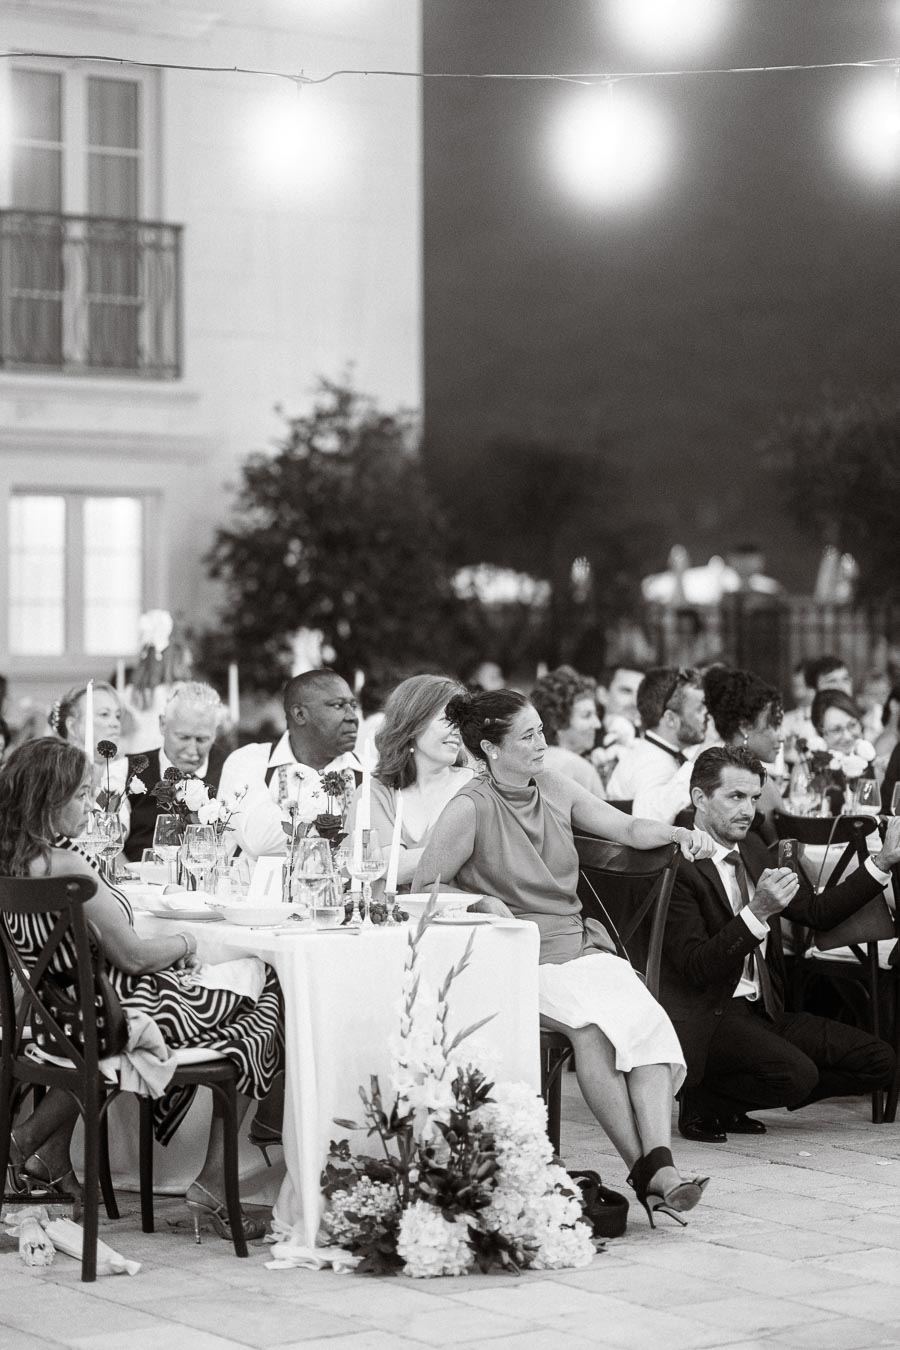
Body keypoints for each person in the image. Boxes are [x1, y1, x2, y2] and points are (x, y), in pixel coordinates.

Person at [413, 688, 717, 1226]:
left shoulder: (552, 785)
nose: (541, 743)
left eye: (541, 731)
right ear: (490, 748)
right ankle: (651, 1174)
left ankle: (659, 1167)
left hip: (578, 946)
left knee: (642, 1018)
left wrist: (677, 831)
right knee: (592, 1031)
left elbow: (626, 828)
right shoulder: (469, 807)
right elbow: (424, 891)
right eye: (527, 736)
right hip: (518, 956)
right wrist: (481, 901)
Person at [0, 739, 285, 1240]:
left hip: (53, 1016)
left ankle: (42, 1149)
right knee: (266, 991)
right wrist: (186, 942)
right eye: (81, 795)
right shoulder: (68, 866)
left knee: (239, 996)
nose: (92, 806)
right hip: (117, 1015)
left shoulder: (14, 862)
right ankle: (214, 1181)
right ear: (48, 799)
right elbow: (132, 957)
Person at [662, 745, 897, 1145]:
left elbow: (817, 912)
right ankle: (703, 1099)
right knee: (796, 1075)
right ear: (700, 798)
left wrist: (883, 862)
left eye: (754, 798)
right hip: (711, 1013)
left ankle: (729, 1096)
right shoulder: (678, 864)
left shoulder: (753, 847)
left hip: (764, 1009)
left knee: (879, 1061)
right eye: (735, 797)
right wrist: (757, 912)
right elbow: (696, 968)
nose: (748, 810)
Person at [349, 674, 474, 891]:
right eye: (448, 720)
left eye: (462, 722)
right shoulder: (375, 792)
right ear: (412, 723)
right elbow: (393, 867)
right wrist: (471, 851)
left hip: (461, 911)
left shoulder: (478, 787)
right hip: (388, 912)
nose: (458, 731)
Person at [219, 669, 361, 858]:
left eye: (353, 705)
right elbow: (260, 840)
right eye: (338, 705)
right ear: (300, 714)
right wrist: (349, 832)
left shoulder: (371, 769)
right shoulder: (249, 761)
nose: (352, 716)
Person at [122, 681, 227, 862]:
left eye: (202, 740)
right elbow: (110, 843)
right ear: (163, 725)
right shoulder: (127, 770)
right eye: (183, 737)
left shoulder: (231, 769)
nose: (192, 750)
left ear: (215, 733)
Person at [606, 668, 708, 810]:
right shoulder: (651, 763)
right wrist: (706, 748)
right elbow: (650, 816)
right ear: (671, 719)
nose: (707, 717)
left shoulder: (655, 755)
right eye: (699, 709)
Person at [529, 666, 606, 796]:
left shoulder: (526, 761)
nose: (597, 724)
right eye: (586, 716)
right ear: (557, 722)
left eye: (596, 715)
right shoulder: (579, 767)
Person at [51, 681, 128, 805]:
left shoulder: (125, 775)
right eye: (104, 714)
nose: (115, 723)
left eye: (117, 716)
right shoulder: (56, 778)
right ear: (72, 726)